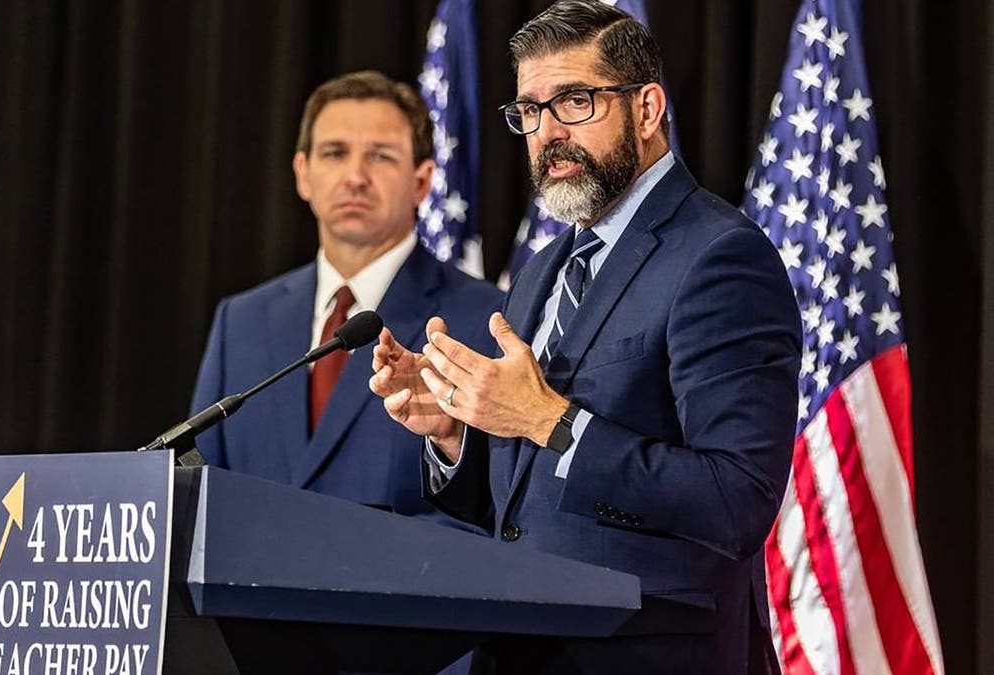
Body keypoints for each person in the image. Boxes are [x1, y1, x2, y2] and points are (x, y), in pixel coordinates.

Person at [369, 3, 801, 673]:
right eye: (530, 111)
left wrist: (551, 420)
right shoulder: (545, 269)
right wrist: (457, 434)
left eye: (574, 101)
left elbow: (735, 500)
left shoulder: (719, 257)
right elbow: (529, 507)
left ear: (648, 109)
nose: (547, 132)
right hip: (522, 648)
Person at [192, 70, 502, 528]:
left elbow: (497, 510)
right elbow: (202, 492)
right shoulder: (241, 320)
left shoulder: (485, 319)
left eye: (380, 156)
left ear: (422, 182)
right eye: (335, 153)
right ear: (303, 174)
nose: (355, 177)